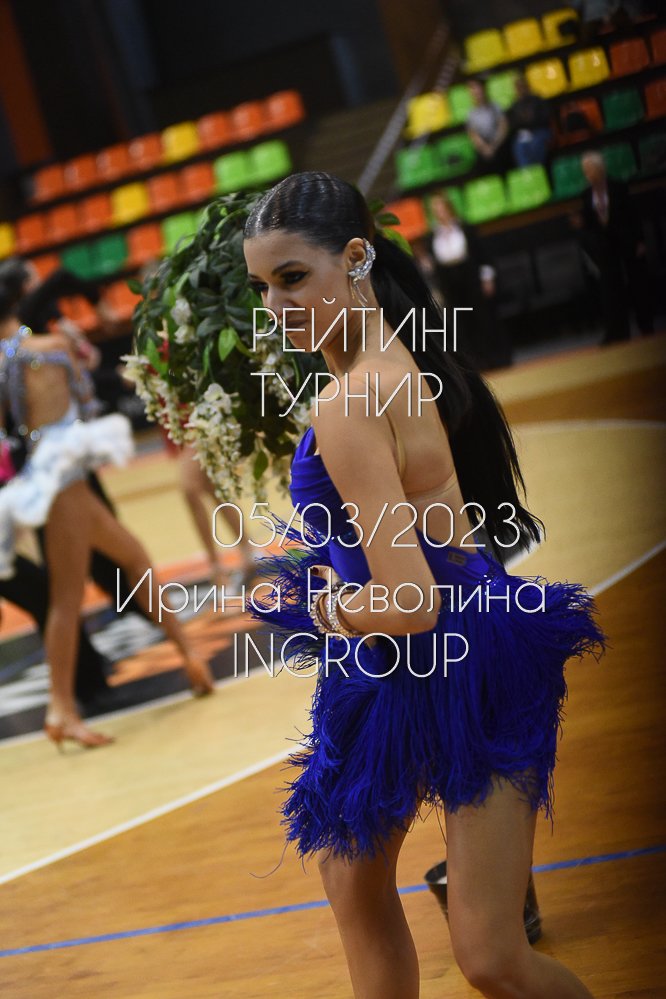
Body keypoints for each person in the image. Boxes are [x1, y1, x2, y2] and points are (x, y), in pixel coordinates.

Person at [242, 172, 605, 999]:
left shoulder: (351, 399)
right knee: (357, 882)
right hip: (445, 649)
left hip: (443, 654)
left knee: (491, 956)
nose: (274, 306)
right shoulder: (393, 359)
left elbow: (409, 601)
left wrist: (322, 605)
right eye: (262, 286)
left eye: (292, 278)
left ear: (355, 258)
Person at [0, 296, 214, 749]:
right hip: (66, 479)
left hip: (50, 476)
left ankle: (189, 653)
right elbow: (85, 396)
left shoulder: (6, 363)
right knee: (67, 598)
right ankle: (61, 709)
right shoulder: (50, 346)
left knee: (134, 558)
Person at [427, 192, 510, 370]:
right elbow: (436, 264)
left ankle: (496, 358)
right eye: (435, 209)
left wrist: (487, 278)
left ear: (448, 207)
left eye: (441, 208)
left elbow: (482, 255)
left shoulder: (465, 228)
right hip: (450, 282)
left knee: (483, 318)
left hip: (470, 277)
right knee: (461, 323)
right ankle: (474, 364)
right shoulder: (433, 235)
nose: (439, 212)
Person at [578, 151, 653, 344]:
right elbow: (589, 223)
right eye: (585, 171)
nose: (588, 174)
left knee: (638, 285)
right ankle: (618, 332)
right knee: (611, 291)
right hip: (606, 248)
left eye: (590, 170)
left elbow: (633, 216)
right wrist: (581, 224)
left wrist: (639, 241)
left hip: (627, 242)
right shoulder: (586, 195)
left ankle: (646, 326)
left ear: (600, 169)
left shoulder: (618, 187)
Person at [508, 75, 552, 168]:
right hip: (524, 134)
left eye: (522, 86)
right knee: (518, 146)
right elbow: (513, 125)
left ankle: (539, 168)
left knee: (536, 143)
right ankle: (528, 172)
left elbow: (546, 117)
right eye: (518, 87)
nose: (520, 89)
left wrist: (532, 121)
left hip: (540, 131)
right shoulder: (515, 105)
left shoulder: (537, 100)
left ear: (527, 86)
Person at [466, 79, 510, 172]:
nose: (476, 93)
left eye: (478, 89)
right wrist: (485, 148)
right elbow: (473, 135)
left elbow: (503, 127)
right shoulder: (471, 114)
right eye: (473, 90)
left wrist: (494, 146)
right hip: (484, 149)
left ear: (484, 90)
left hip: (499, 145)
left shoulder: (495, 106)